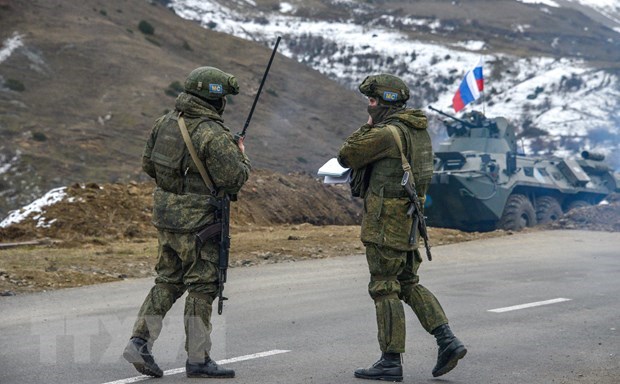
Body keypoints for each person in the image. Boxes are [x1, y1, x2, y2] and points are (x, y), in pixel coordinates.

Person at [123, 66, 251, 379]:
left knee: (167, 280)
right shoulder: (213, 134)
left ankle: (139, 341)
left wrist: (177, 189)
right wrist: (242, 155)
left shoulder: (164, 123)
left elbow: (148, 165)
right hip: (200, 223)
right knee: (202, 287)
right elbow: (234, 179)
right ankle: (198, 358)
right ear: (215, 99)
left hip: (166, 218)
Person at [338, 74, 466, 382]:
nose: (369, 104)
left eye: (373, 100)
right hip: (410, 222)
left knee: (384, 287)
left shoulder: (385, 133)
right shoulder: (418, 131)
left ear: (385, 102)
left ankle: (390, 361)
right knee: (408, 283)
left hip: (385, 224)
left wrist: (366, 126)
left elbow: (346, 156)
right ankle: (447, 339)